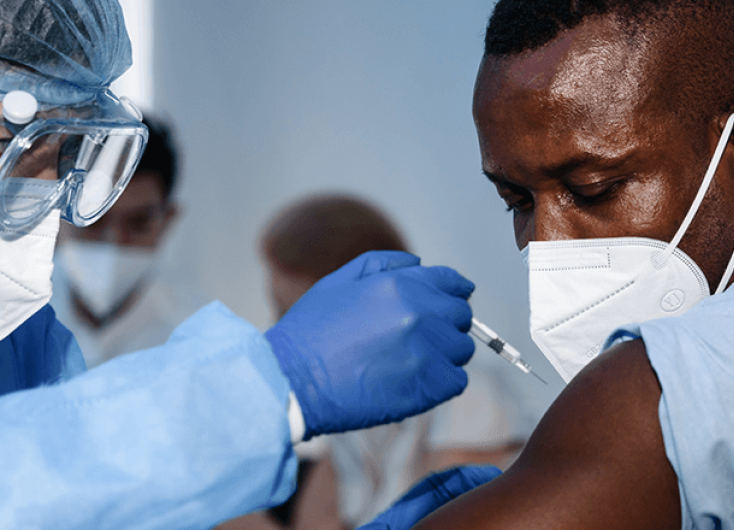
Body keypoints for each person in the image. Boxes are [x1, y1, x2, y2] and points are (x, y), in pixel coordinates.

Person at [355, 0, 734, 529]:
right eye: (517, 202)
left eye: (594, 188)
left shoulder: (668, 379)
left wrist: (280, 395)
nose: (547, 245)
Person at [0, 2, 477, 528]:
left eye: (65, 155)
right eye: (16, 147)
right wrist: (274, 388)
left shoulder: (29, 337)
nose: (45, 194)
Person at [229, 194, 529, 529]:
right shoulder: (352, 421)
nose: (278, 331)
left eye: (291, 314)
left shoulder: (470, 397)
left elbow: (448, 519)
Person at [51, 113, 208, 368]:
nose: (113, 241)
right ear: (57, 211)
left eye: (138, 222)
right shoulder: (11, 315)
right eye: (92, 219)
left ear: (167, 220)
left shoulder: (201, 338)